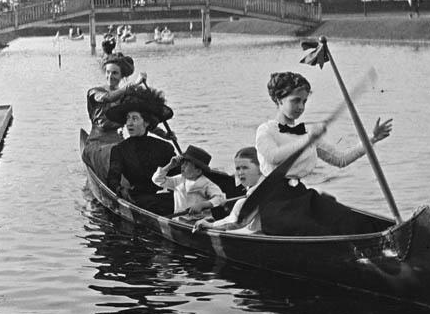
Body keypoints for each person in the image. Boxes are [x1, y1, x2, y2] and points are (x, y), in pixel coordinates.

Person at [251, 72, 393, 236]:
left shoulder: (307, 134)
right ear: (279, 100)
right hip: (275, 203)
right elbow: (273, 157)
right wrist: (309, 139)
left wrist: (372, 139)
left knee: (347, 219)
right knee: (317, 230)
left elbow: (341, 160)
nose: (301, 107)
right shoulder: (266, 130)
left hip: (300, 196)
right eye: (295, 100)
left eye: (304, 101)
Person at [104, 86, 177, 216]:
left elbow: (178, 176)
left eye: (134, 118)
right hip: (138, 202)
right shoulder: (119, 150)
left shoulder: (165, 147)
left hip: (166, 199)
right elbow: (112, 180)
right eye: (127, 118)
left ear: (147, 122)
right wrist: (120, 190)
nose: (129, 123)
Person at [83, 53, 145, 178]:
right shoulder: (95, 92)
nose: (110, 76)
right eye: (108, 72)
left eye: (115, 73)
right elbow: (107, 98)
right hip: (97, 143)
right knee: (112, 156)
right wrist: (131, 86)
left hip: (117, 141)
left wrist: (165, 135)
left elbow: (142, 121)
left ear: (122, 76)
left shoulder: (126, 98)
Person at [194, 147, 264, 234]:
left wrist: (210, 225)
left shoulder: (259, 191)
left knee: (240, 203)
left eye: (245, 167)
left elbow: (238, 222)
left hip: (259, 232)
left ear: (261, 168)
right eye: (238, 168)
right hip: (261, 229)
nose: (240, 173)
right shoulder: (267, 183)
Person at [152, 145, 226, 222]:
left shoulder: (206, 184)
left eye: (186, 164)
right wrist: (169, 166)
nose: (182, 166)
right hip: (180, 220)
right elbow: (157, 180)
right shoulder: (178, 180)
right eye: (183, 163)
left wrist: (202, 205)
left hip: (202, 221)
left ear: (198, 171)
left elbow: (220, 198)